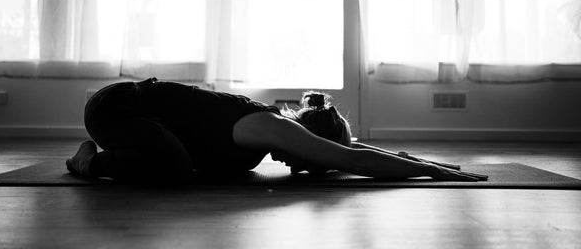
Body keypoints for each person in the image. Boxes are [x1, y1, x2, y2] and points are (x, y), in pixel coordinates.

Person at [66, 77, 488, 185]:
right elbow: (351, 158)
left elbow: (355, 147)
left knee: (184, 164)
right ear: (309, 140)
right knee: (176, 169)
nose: (297, 167)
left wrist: (420, 160)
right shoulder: (271, 125)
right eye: (309, 164)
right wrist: (434, 174)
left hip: (139, 122)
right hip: (116, 107)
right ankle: (90, 160)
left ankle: (118, 153)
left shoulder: (273, 130)